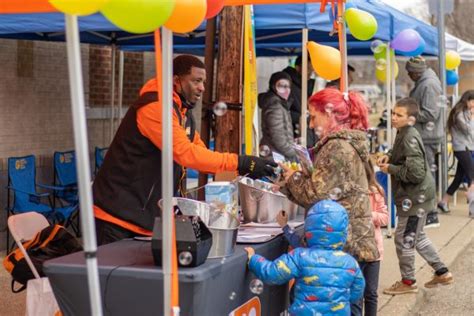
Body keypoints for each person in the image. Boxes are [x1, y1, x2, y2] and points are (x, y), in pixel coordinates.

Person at [93, 55, 276, 245]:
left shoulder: (182, 113)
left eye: (204, 82)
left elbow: (202, 155)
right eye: (196, 81)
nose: (202, 88)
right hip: (116, 216)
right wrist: (241, 161)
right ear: (176, 81)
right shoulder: (156, 108)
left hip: (142, 216)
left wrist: (245, 169)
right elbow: (185, 153)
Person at [378, 98, 453, 295]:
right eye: (393, 113)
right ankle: (442, 272)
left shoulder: (409, 135)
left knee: (404, 239)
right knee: (417, 237)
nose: (393, 117)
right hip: (416, 197)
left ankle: (408, 281)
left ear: (410, 119)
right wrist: (389, 154)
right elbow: (403, 154)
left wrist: (390, 168)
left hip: (414, 197)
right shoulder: (404, 132)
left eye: (399, 115)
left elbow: (416, 173)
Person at [245, 200, 365, 316]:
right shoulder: (350, 263)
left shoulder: (300, 256)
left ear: (309, 229)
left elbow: (272, 273)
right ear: (343, 232)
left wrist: (253, 259)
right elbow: (357, 291)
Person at [406, 56, 443, 228]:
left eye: (409, 72)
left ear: (416, 72)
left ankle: (431, 212)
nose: (408, 75)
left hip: (428, 137)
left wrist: (409, 114)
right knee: (424, 174)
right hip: (424, 136)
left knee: (427, 176)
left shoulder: (429, 85)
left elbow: (431, 114)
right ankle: (427, 210)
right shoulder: (424, 82)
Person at [354, 158, 388, 316]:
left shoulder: (376, 191)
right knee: (355, 294)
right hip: (354, 249)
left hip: (374, 250)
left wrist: (370, 215)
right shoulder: (350, 193)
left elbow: (385, 218)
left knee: (371, 293)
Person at [438, 90, 474, 216]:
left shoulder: (465, 112)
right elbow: (468, 130)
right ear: (468, 100)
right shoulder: (458, 114)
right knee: (472, 175)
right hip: (461, 148)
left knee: (458, 178)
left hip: (467, 147)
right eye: (473, 102)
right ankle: (472, 208)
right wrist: (472, 117)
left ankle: (443, 202)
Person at [258, 71, 297, 161]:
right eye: (282, 86)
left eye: (288, 86)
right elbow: (278, 136)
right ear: (273, 87)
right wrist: (293, 153)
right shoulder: (275, 105)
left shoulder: (281, 103)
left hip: (277, 154)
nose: (287, 90)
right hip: (275, 156)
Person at [282, 55, 316, 147]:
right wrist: (302, 117)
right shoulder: (287, 85)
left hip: (303, 132)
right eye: (308, 69)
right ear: (298, 67)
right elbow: (283, 111)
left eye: (312, 69)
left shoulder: (306, 84)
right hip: (289, 133)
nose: (311, 72)